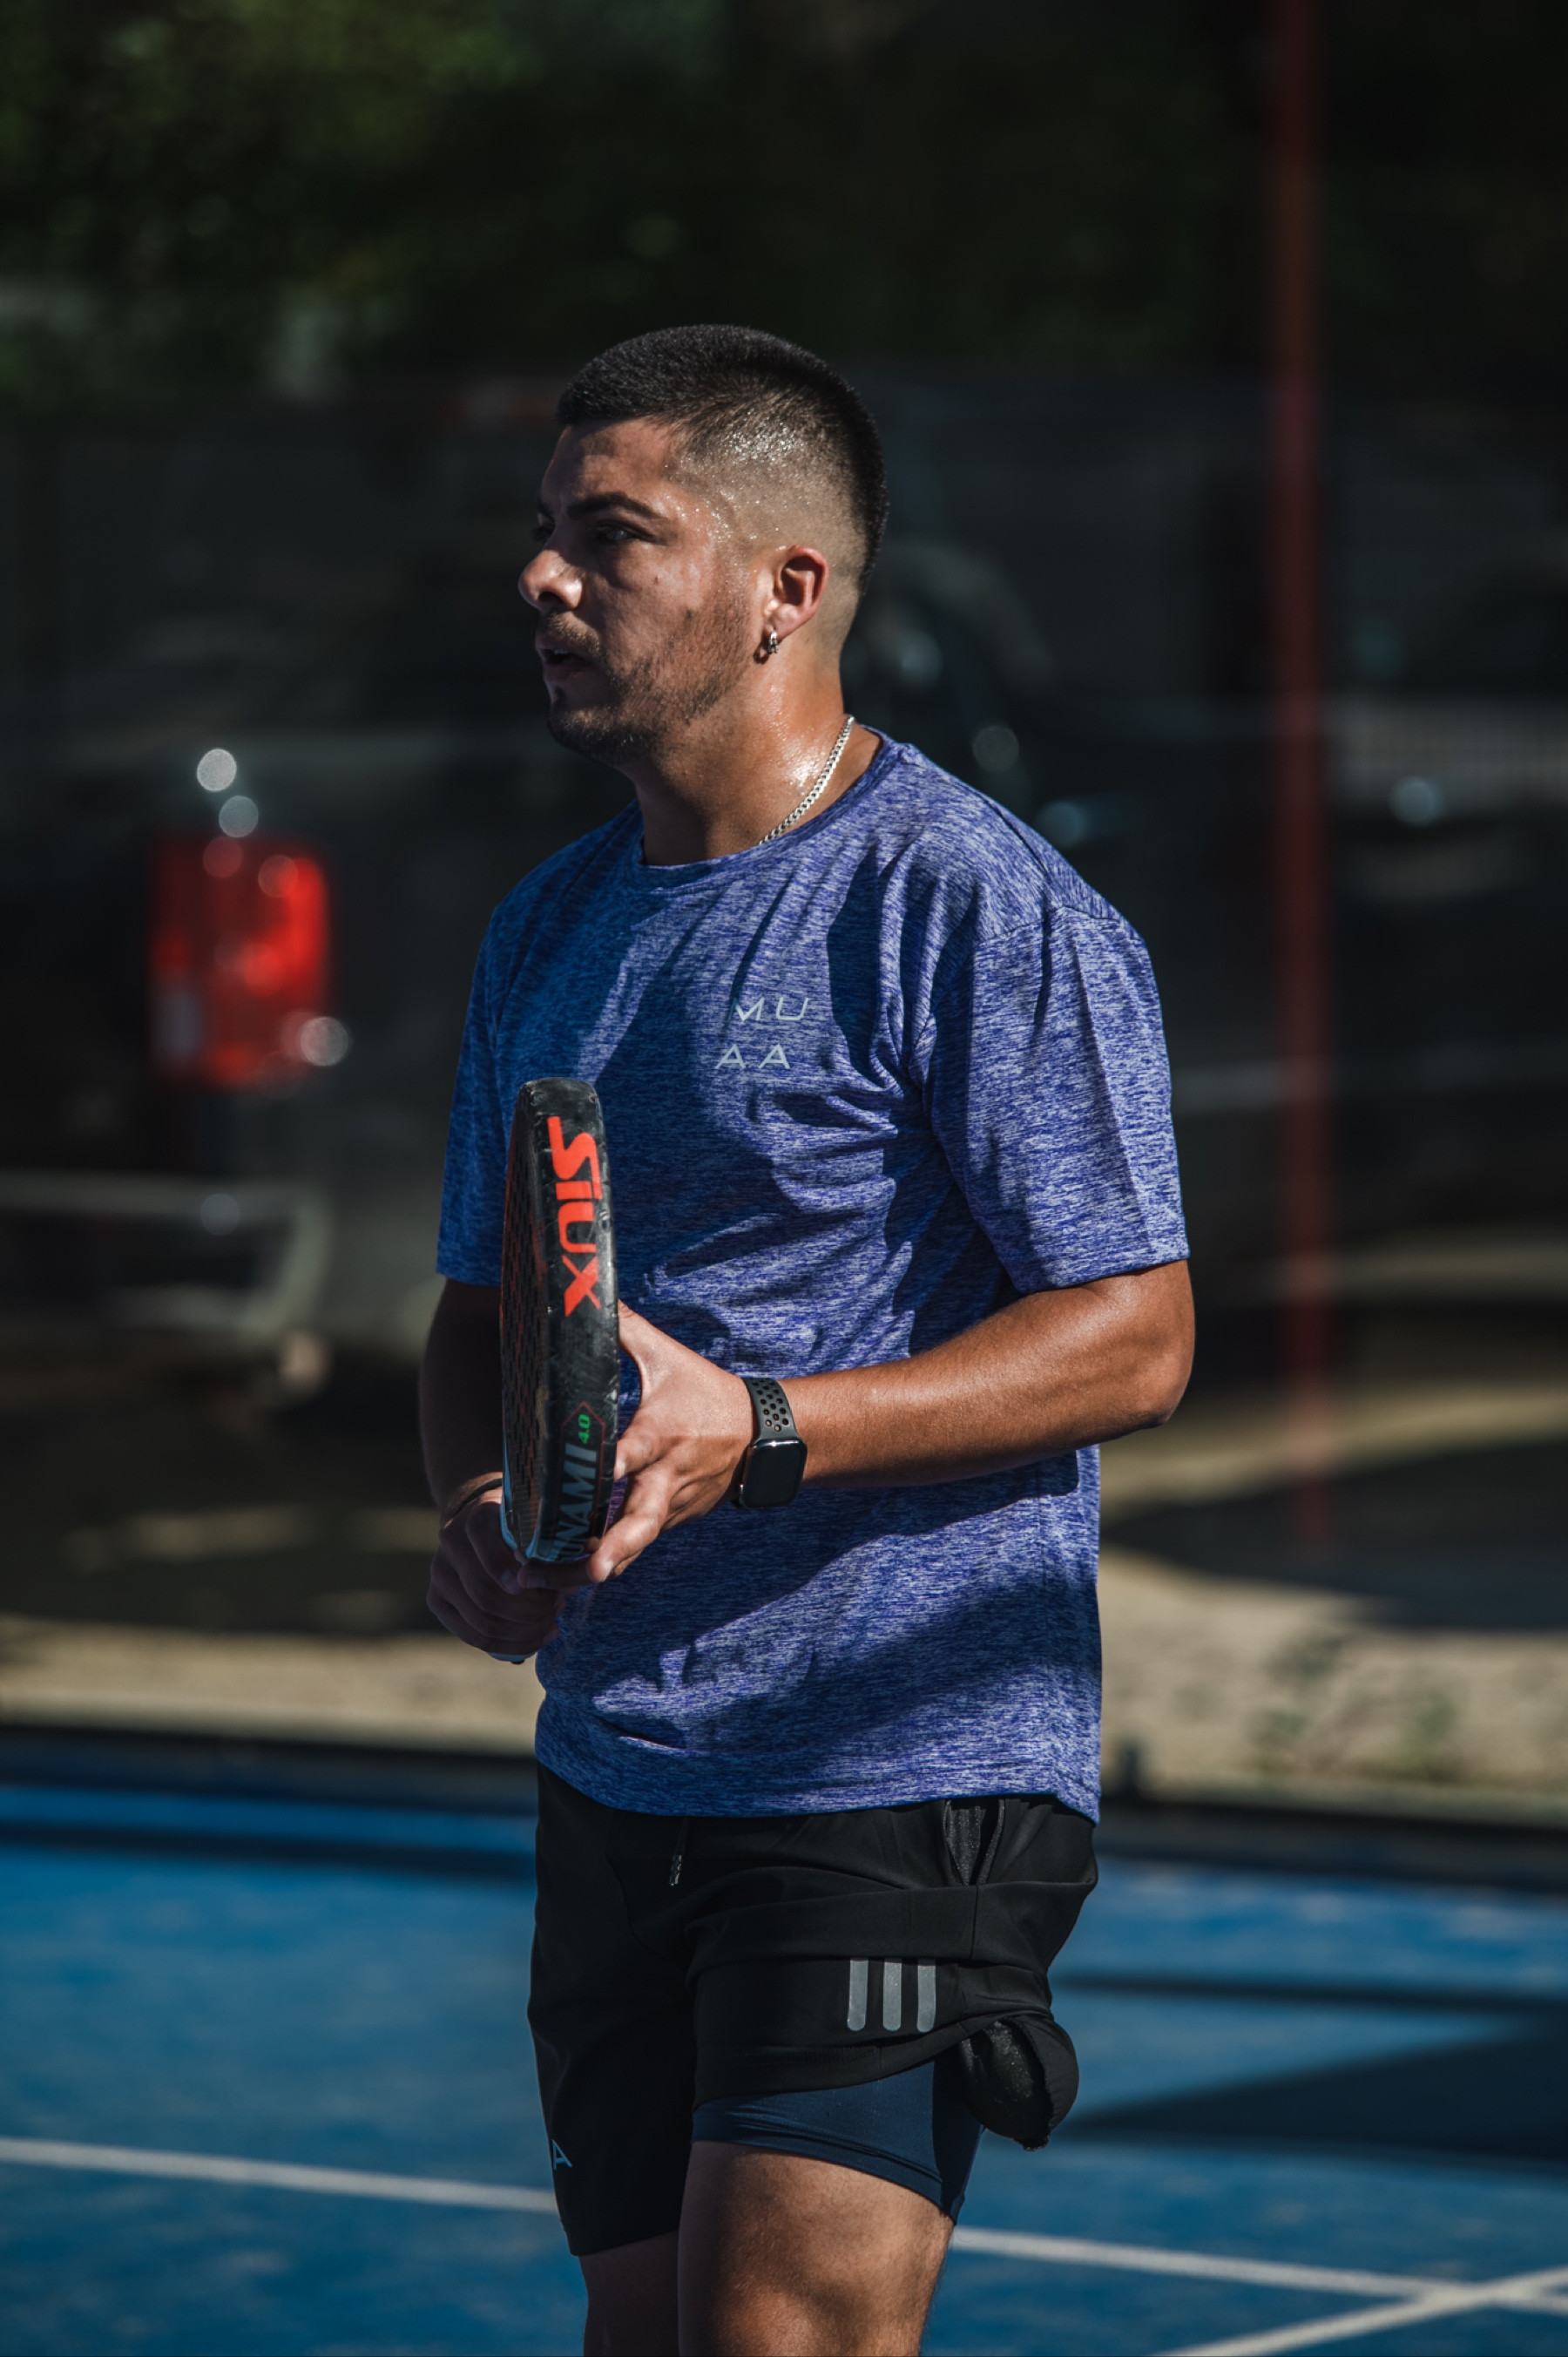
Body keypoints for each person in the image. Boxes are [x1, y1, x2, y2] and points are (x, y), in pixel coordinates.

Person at [422, 324, 1193, 2357]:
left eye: (613, 534)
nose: (543, 578)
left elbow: (1137, 1335)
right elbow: (479, 1317)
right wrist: (484, 1501)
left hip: (896, 1771)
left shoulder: (971, 905)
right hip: (617, 1764)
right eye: (544, 530)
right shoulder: (545, 929)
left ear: (789, 585)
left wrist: (757, 1426)